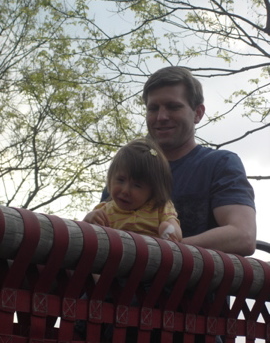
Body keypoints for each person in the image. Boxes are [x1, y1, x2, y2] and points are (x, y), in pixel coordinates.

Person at [143, 66, 256, 256]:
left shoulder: (219, 164)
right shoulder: (130, 168)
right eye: (153, 108)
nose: (161, 117)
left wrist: (159, 254)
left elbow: (243, 235)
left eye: (173, 106)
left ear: (198, 113)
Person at [83, 138, 182, 242]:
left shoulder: (160, 208)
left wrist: (170, 230)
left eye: (137, 185)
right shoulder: (104, 211)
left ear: (153, 190)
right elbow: (86, 237)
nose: (125, 190)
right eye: (120, 180)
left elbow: (176, 231)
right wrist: (88, 221)